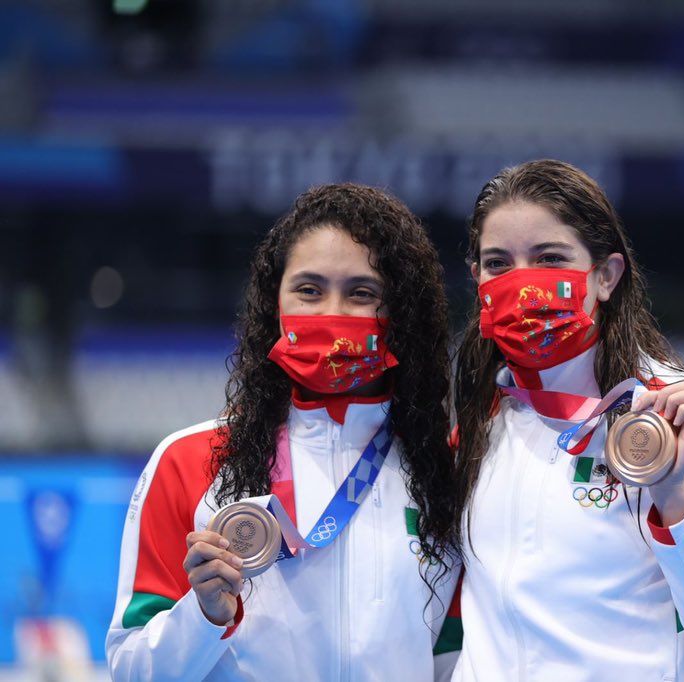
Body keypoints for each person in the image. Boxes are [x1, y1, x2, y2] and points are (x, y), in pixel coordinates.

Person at [452, 160, 684, 682]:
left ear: (606, 276)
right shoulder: (475, 427)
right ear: (477, 280)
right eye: (499, 264)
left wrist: (674, 498)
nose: (523, 284)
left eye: (549, 259)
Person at [107, 184, 461, 680]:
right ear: (275, 306)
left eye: (362, 293)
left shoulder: (441, 471)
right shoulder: (189, 460)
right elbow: (130, 669)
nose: (331, 314)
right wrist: (204, 616)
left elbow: (453, 660)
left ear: (401, 313)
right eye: (309, 290)